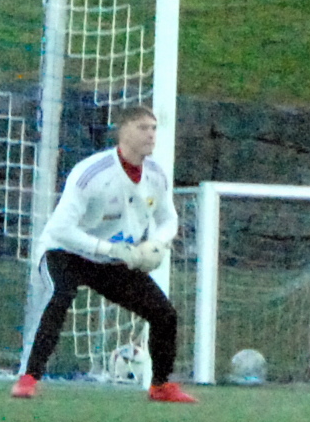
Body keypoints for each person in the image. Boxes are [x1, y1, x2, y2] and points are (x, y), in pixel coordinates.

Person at [14, 101, 193, 400]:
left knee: (164, 314)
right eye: (142, 128)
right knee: (59, 296)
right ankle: (29, 377)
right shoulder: (92, 173)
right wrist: (109, 248)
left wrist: (156, 244)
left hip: (113, 259)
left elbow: (168, 219)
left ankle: (161, 385)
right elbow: (60, 228)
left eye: (153, 128)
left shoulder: (156, 175)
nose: (151, 135)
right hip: (66, 251)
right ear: (123, 132)